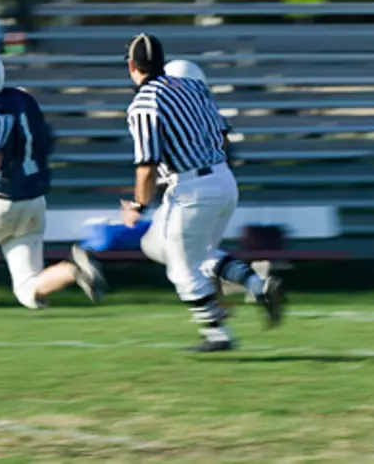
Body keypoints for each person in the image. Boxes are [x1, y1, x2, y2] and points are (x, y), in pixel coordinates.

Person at [0, 50, 106, 364]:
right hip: (33, 202)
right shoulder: (22, 99)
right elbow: (38, 144)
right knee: (27, 289)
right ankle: (74, 270)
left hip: (0, 205)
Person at [121, 35, 284, 352]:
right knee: (164, 247)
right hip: (222, 180)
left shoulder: (144, 102)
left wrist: (138, 205)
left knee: (181, 269)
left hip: (191, 189)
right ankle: (257, 285)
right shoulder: (191, 88)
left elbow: (147, 165)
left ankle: (217, 335)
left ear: (131, 66)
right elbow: (222, 134)